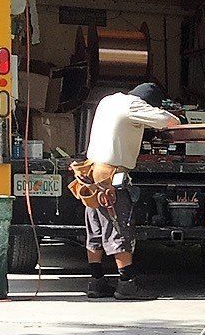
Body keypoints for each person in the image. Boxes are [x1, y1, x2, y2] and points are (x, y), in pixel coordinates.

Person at [76, 82, 182, 301]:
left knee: (95, 231)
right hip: (110, 178)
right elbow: (168, 121)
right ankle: (126, 284)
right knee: (119, 229)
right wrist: (176, 117)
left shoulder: (109, 100)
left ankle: (96, 282)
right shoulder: (134, 105)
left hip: (92, 173)